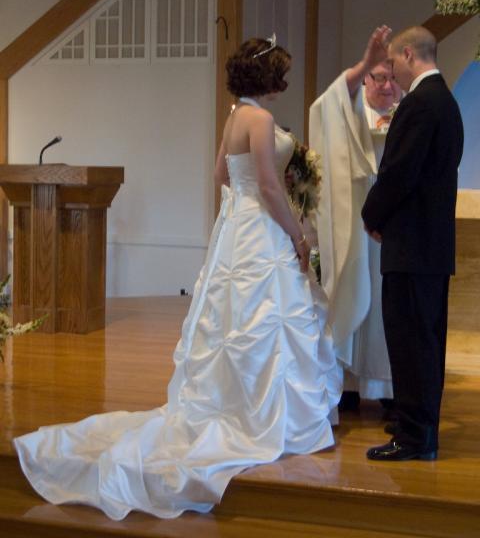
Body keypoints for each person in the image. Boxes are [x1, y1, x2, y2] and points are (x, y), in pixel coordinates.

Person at [14, 36, 341, 519]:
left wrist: (248, 203)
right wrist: (298, 235)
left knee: (232, 320)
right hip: (264, 229)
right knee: (266, 319)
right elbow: (269, 187)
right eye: (281, 73)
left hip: (236, 230)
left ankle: (228, 401)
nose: (284, 82)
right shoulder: (262, 119)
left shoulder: (234, 116)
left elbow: (221, 178)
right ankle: (265, 413)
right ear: (268, 78)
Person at [362, 26, 463, 460]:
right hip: (430, 246)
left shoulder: (420, 104)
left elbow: (398, 173)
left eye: (394, 63)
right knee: (424, 341)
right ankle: (419, 424)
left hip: (412, 245)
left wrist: (372, 215)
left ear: (407, 54)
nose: (392, 74)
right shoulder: (446, 100)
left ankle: (414, 436)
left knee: (410, 341)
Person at [309, 27, 401, 414]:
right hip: (354, 221)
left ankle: (385, 387)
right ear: (364, 78)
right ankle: (346, 383)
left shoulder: (408, 112)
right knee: (350, 288)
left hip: (391, 226)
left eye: (394, 78)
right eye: (379, 77)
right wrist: (365, 58)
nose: (387, 86)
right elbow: (323, 106)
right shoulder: (350, 112)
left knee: (385, 306)